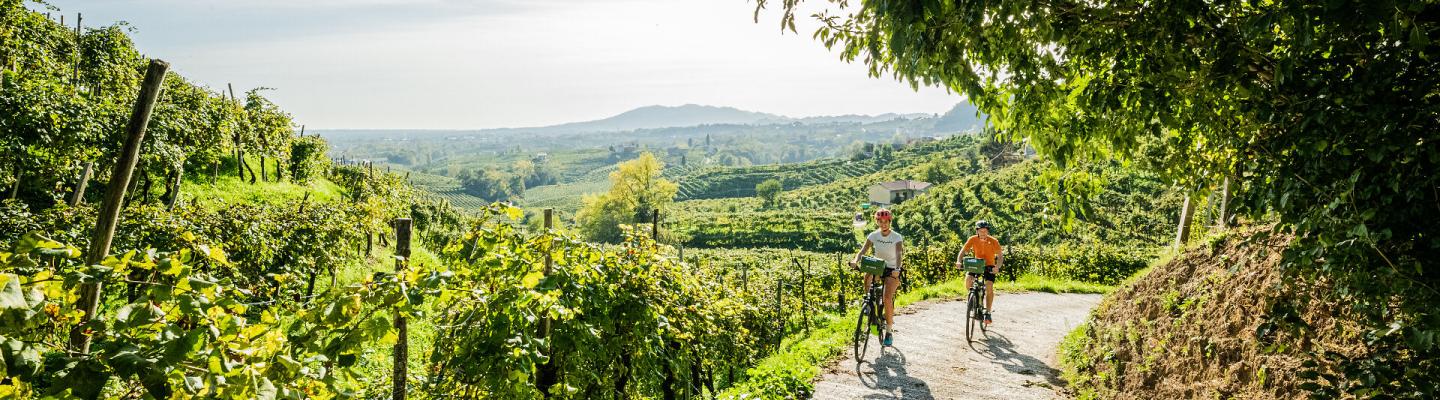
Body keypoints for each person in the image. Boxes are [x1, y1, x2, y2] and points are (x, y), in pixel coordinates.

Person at [849, 208, 904, 346]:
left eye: (886, 221)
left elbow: (898, 254)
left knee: (887, 298)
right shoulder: (873, 235)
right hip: (878, 265)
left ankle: (889, 331)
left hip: (892, 268)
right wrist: (856, 260)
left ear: (890, 221)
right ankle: (868, 302)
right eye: (880, 221)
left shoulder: (896, 237)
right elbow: (862, 251)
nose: (883, 224)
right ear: (877, 222)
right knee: (867, 277)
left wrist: (897, 269)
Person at [956, 220, 1002, 325]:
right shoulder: (972, 239)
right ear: (977, 231)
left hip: (989, 265)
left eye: (985, 231)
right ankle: (973, 298)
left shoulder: (993, 241)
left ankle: (988, 312)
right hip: (977, 263)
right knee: (968, 280)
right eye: (981, 231)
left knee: (989, 285)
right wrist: (959, 261)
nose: (983, 233)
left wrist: (997, 267)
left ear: (987, 231)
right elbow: (963, 251)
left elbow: (1000, 256)